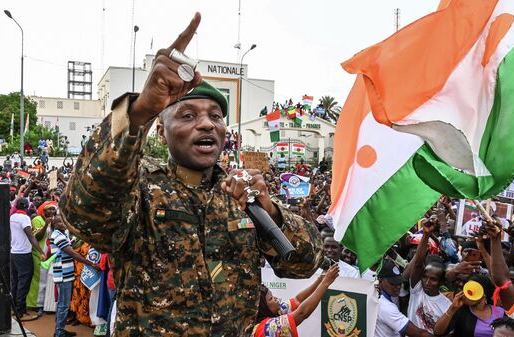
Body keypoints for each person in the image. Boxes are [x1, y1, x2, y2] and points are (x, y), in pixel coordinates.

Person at [59, 13, 323, 337]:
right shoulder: (139, 187)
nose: (206, 123)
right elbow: (82, 211)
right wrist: (139, 109)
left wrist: (270, 212)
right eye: (188, 115)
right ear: (161, 130)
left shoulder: (242, 196)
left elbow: (303, 263)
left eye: (215, 116)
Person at [252, 264, 339, 337]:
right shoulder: (267, 328)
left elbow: (298, 300)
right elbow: (302, 313)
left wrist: (320, 279)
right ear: (262, 308)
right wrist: (326, 282)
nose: (275, 298)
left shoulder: (272, 314)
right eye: (271, 299)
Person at [50, 214, 100, 337]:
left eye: (64, 221)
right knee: (64, 304)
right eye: (60, 222)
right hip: (63, 275)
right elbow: (73, 254)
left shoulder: (63, 234)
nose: (63, 223)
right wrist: (91, 264)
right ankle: (59, 333)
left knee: (62, 303)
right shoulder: (57, 236)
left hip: (66, 273)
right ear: (55, 224)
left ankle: (59, 330)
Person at [407, 219, 452, 333]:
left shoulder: (447, 306)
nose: (427, 282)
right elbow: (417, 264)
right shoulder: (417, 290)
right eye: (425, 277)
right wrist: (426, 235)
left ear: (441, 282)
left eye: (433, 279)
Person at [375, 260, 433, 337]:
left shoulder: (374, 295)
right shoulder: (385, 307)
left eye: (399, 282)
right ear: (380, 281)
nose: (398, 286)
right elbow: (418, 333)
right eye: (393, 283)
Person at [434, 275, 504, 337]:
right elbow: (438, 332)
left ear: (484, 294)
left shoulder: (500, 311)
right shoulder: (461, 310)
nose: (467, 294)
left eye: (474, 290)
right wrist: (452, 309)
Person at [10, 197, 45, 321]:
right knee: (23, 283)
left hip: (13, 253)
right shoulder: (24, 218)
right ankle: (20, 312)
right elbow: (31, 236)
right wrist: (41, 252)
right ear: (26, 206)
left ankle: (15, 308)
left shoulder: (12, 217)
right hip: (24, 254)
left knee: (15, 282)